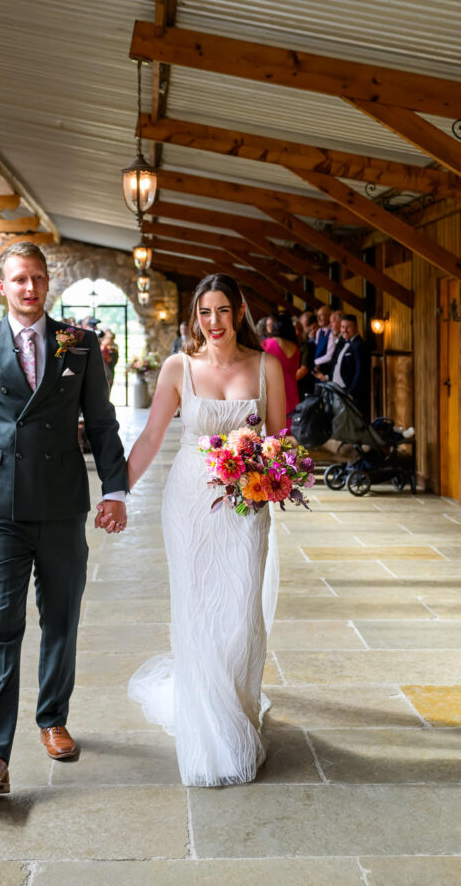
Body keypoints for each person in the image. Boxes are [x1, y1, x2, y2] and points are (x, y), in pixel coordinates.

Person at [0, 242, 128, 796]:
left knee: (61, 619)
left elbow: (102, 421)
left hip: (63, 502)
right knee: (0, 627)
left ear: (48, 285)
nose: (30, 288)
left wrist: (114, 489)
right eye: (20, 279)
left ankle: (53, 719)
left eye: (38, 279)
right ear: (2, 286)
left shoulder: (78, 342)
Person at [125, 273, 285, 786]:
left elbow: (282, 440)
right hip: (191, 502)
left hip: (245, 504)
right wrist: (115, 490)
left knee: (239, 612)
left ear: (239, 312)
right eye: (204, 312)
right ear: (195, 317)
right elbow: (151, 438)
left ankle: (237, 706)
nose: (213, 322)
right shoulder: (178, 367)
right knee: (197, 610)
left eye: (222, 310)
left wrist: (271, 473)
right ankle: (210, 729)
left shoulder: (267, 368)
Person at [261, 312, 300, 429]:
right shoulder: (295, 347)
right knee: (291, 420)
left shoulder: (267, 343)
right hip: (292, 386)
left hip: (275, 386)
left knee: (276, 421)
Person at [330, 314, 370, 415]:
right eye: (343, 327)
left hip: (350, 393)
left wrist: (351, 392)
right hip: (339, 390)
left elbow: (360, 371)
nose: (345, 330)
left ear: (356, 327)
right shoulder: (344, 343)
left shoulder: (359, 345)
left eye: (348, 327)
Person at [314, 309, 343, 377]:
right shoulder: (318, 332)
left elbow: (330, 356)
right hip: (318, 368)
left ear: (328, 317)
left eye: (321, 315)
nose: (318, 318)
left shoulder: (332, 333)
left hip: (326, 370)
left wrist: (314, 362)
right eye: (317, 316)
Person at [100, 328, 119, 396]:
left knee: (108, 392)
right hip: (102, 373)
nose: (110, 340)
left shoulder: (114, 347)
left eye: (111, 338)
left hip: (110, 371)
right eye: (108, 338)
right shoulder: (100, 347)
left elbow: (115, 360)